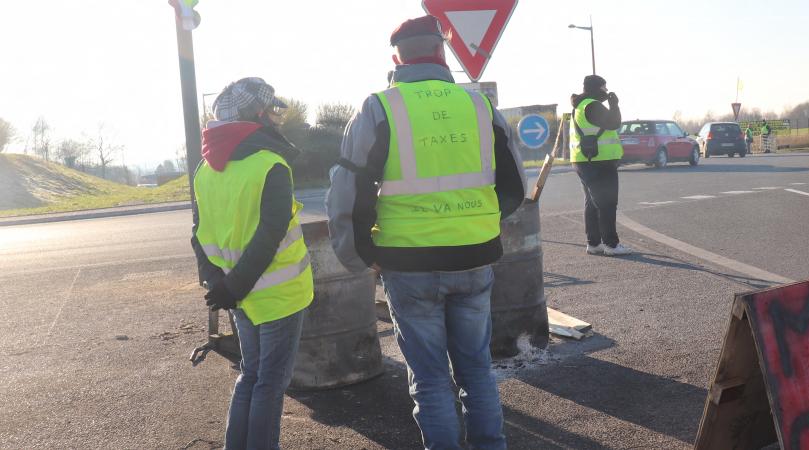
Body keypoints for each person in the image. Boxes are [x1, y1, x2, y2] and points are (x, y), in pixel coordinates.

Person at [326, 15, 524, 450]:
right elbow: (515, 185)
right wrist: (483, 222)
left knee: (431, 378)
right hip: (474, 257)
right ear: (440, 52)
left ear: (397, 57)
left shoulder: (379, 106)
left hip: (409, 263)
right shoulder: (479, 106)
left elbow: (350, 187)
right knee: (477, 369)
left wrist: (360, 252)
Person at [191, 77, 313, 450]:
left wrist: (219, 283)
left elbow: (200, 232)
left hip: (237, 294)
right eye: (272, 111)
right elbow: (271, 232)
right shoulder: (270, 165)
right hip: (278, 295)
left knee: (251, 375)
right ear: (257, 116)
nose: (277, 118)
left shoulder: (205, 169)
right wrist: (234, 286)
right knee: (270, 384)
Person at [570, 75, 632, 256]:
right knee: (607, 203)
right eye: (604, 89)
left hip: (584, 160)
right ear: (598, 88)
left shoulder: (579, 105)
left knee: (592, 203)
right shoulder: (592, 105)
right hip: (599, 161)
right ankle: (611, 245)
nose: (606, 92)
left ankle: (594, 243)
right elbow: (614, 123)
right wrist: (614, 105)